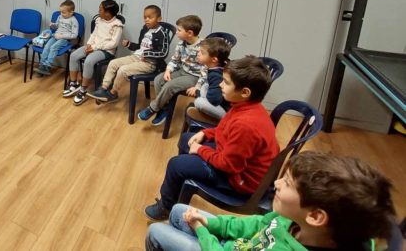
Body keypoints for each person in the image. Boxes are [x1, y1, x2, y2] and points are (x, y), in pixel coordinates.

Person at [145, 151, 397, 251]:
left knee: (156, 232)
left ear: (315, 216)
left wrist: (202, 231)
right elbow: (254, 224)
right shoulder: (293, 219)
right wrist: (212, 225)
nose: (276, 183)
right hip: (238, 245)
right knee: (179, 210)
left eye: (287, 183)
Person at [144, 56, 280, 221]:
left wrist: (201, 150)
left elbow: (229, 165)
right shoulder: (245, 107)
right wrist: (206, 134)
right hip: (233, 161)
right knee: (187, 139)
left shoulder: (246, 125)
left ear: (245, 92)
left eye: (226, 82)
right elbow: (225, 129)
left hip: (239, 180)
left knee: (176, 165)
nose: (220, 85)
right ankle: (181, 184)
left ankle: (166, 206)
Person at [87, 5, 171, 104]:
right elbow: (140, 46)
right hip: (136, 57)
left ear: (159, 19)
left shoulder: (162, 33)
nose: (147, 20)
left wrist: (147, 53)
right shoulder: (145, 29)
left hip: (149, 63)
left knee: (123, 70)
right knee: (113, 63)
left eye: (150, 17)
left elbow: (163, 52)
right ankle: (103, 88)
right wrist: (129, 44)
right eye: (145, 17)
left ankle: (113, 93)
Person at [138, 15, 204, 126]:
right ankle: (164, 108)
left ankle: (153, 108)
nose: (176, 32)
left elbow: (207, 70)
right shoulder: (181, 43)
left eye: (179, 30)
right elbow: (175, 60)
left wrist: (198, 87)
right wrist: (168, 70)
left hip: (195, 76)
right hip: (182, 71)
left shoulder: (203, 47)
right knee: (158, 79)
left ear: (190, 33)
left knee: (169, 86)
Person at [63, 0, 123, 106]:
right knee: (74, 55)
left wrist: (95, 47)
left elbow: (113, 44)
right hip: (93, 46)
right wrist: (89, 44)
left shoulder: (117, 25)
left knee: (88, 60)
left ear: (108, 13)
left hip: (106, 51)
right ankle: (74, 83)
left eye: (100, 9)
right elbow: (94, 34)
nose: (98, 11)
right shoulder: (99, 20)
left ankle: (83, 89)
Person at [187, 37, 231, 121]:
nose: (198, 53)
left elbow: (214, 100)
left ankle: (225, 120)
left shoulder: (217, 75)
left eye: (202, 53)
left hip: (224, 110)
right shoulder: (217, 67)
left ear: (214, 59)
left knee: (199, 102)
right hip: (216, 98)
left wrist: (198, 93)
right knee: (205, 86)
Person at [34, 0, 80, 76]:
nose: (61, 14)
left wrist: (62, 36)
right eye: (60, 12)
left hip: (64, 39)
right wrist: (53, 25)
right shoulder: (60, 17)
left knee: (53, 47)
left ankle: (47, 66)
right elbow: (57, 26)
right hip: (55, 35)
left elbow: (74, 35)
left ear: (71, 12)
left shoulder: (73, 21)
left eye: (63, 12)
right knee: (47, 46)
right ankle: (42, 65)